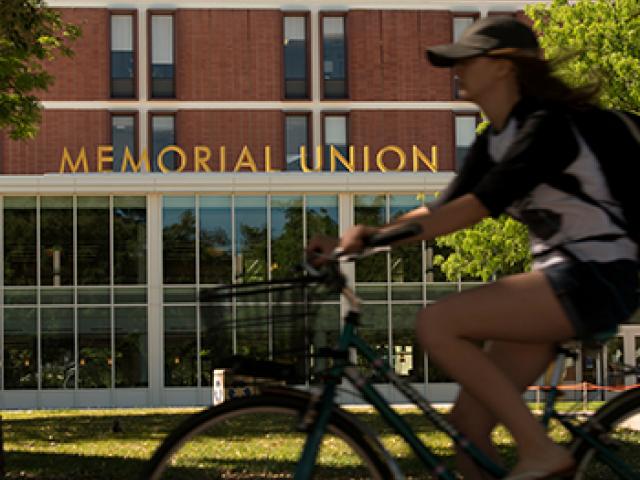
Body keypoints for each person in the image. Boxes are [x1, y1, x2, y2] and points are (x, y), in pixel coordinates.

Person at [308, 16, 639, 480]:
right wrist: (361, 237)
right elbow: (440, 210)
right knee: (468, 427)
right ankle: (544, 457)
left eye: (467, 60)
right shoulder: (494, 139)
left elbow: (476, 209)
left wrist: (376, 239)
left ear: (504, 67)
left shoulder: (548, 127)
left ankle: (539, 450)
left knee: (437, 321)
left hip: (594, 276)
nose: (456, 70)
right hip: (560, 281)